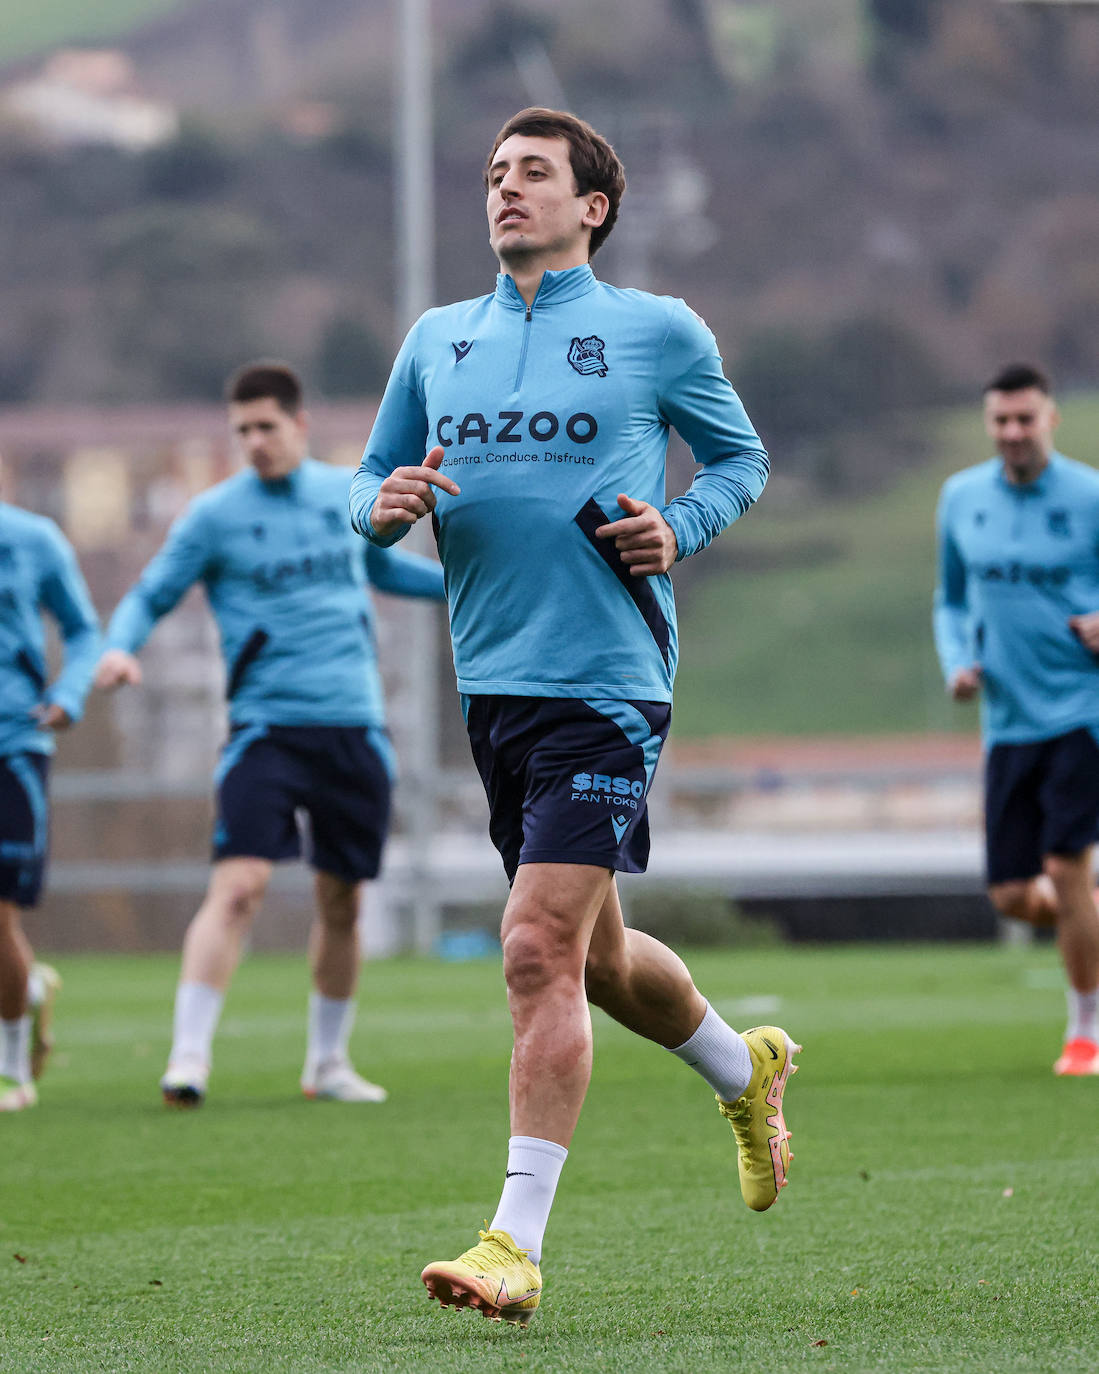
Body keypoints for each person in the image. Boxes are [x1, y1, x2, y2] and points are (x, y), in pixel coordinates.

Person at [350, 107, 799, 1326]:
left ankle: (514, 1244)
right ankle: (743, 1066)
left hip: (609, 685)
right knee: (593, 963)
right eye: (495, 174)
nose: (505, 189)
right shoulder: (437, 340)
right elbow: (369, 483)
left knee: (532, 948)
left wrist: (680, 527)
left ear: (591, 207)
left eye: (533, 173)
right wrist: (377, 509)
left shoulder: (655, 330)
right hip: (492, 690)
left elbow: (741, 462)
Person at [96, 362, 446, 1108]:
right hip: (264, 731)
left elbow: (387, 574)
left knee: (343, 900)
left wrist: (472, 586)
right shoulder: (213, 516)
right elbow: (151, 594)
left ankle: (327, 1063)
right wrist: (119, 647)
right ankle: (188, 1057)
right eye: (242, 430)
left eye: (266, 426)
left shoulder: (346, 495)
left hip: (354, 726)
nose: (254, 441)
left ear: (299, 425)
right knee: (239, 887)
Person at [934, 361, 1099, 1077]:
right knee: (1012, 894)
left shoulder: (1090, 496)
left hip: (1083, 711)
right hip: (1007, 720)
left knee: (1065, 866)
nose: (1011, 432)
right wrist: (957, 662)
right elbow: (949, 599)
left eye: (1024, 419)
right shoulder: (960, 497)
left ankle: (1085, 1033)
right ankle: (1086, 921)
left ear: (1050, 419)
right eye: (1000, 420)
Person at [0, 453, 100, 1111]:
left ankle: (12, 1070)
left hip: (14, 744)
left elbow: (84, 630)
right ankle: (28, 988)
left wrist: (68, 693)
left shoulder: (32, 539)